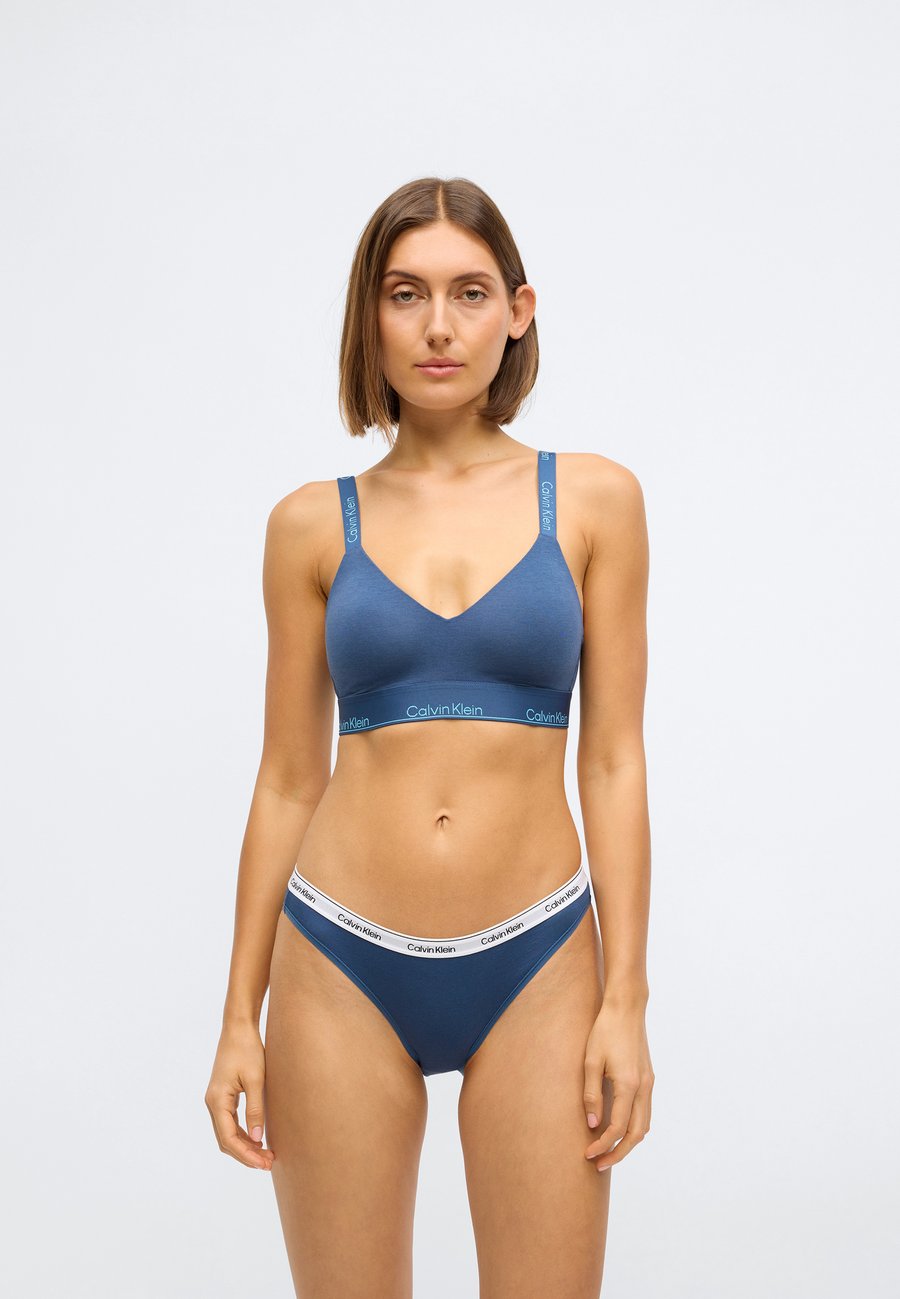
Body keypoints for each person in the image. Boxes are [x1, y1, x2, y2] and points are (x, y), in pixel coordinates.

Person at [205, 175, 654, 1297]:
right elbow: (286, 779)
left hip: (539, 956)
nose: (439, 326)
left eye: (469, 292)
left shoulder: (594, 501)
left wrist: (627, 1001)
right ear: (371, 315)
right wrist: (237, 1017)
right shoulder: (310, 523)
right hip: (338, 960)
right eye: (406, 294)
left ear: (519, 311)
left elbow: (613, 760)